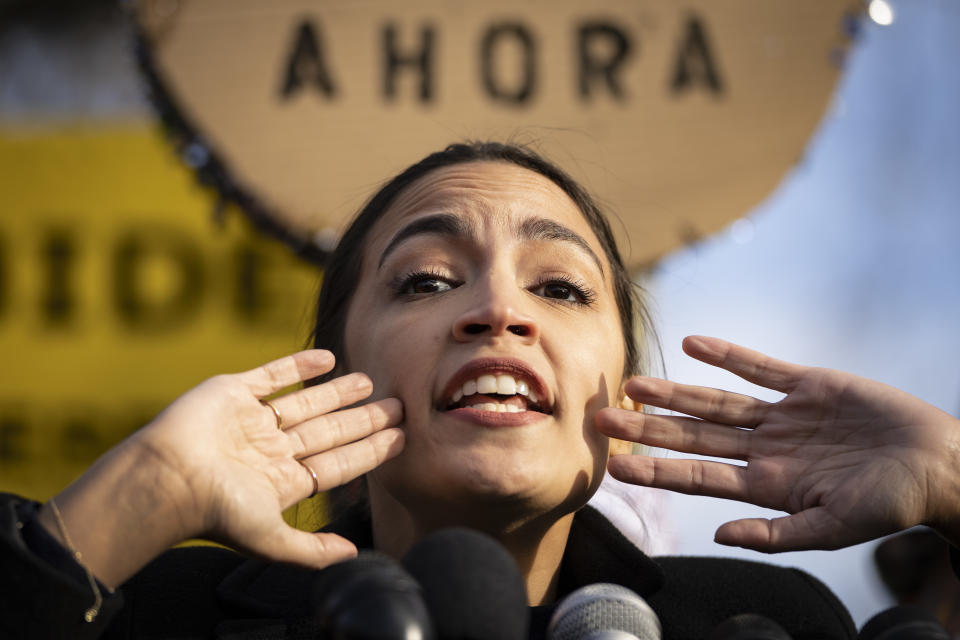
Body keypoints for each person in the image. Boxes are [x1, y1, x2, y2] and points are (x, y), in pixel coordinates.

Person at [2, 142, 958, 639]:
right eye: (425, 280)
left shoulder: (772, 626)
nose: (498, 310)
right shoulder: (162, 616)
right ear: (337, 368)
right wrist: (142, 494)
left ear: (619, 383)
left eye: (560, 287)